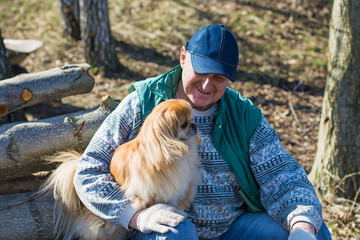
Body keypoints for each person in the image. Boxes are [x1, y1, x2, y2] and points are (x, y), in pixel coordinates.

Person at [74, 24, 332, 240]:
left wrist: (302, 225)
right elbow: (88, 171)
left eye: (219, 78)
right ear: (183, 56)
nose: (207, 85)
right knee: (175, 232)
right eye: (201, 71)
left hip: (233, 227)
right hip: (167, 224)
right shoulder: (144, 103)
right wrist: (134, 216)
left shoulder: (243, 115)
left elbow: (283, 175)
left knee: (314, 233)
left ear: (232, 78)